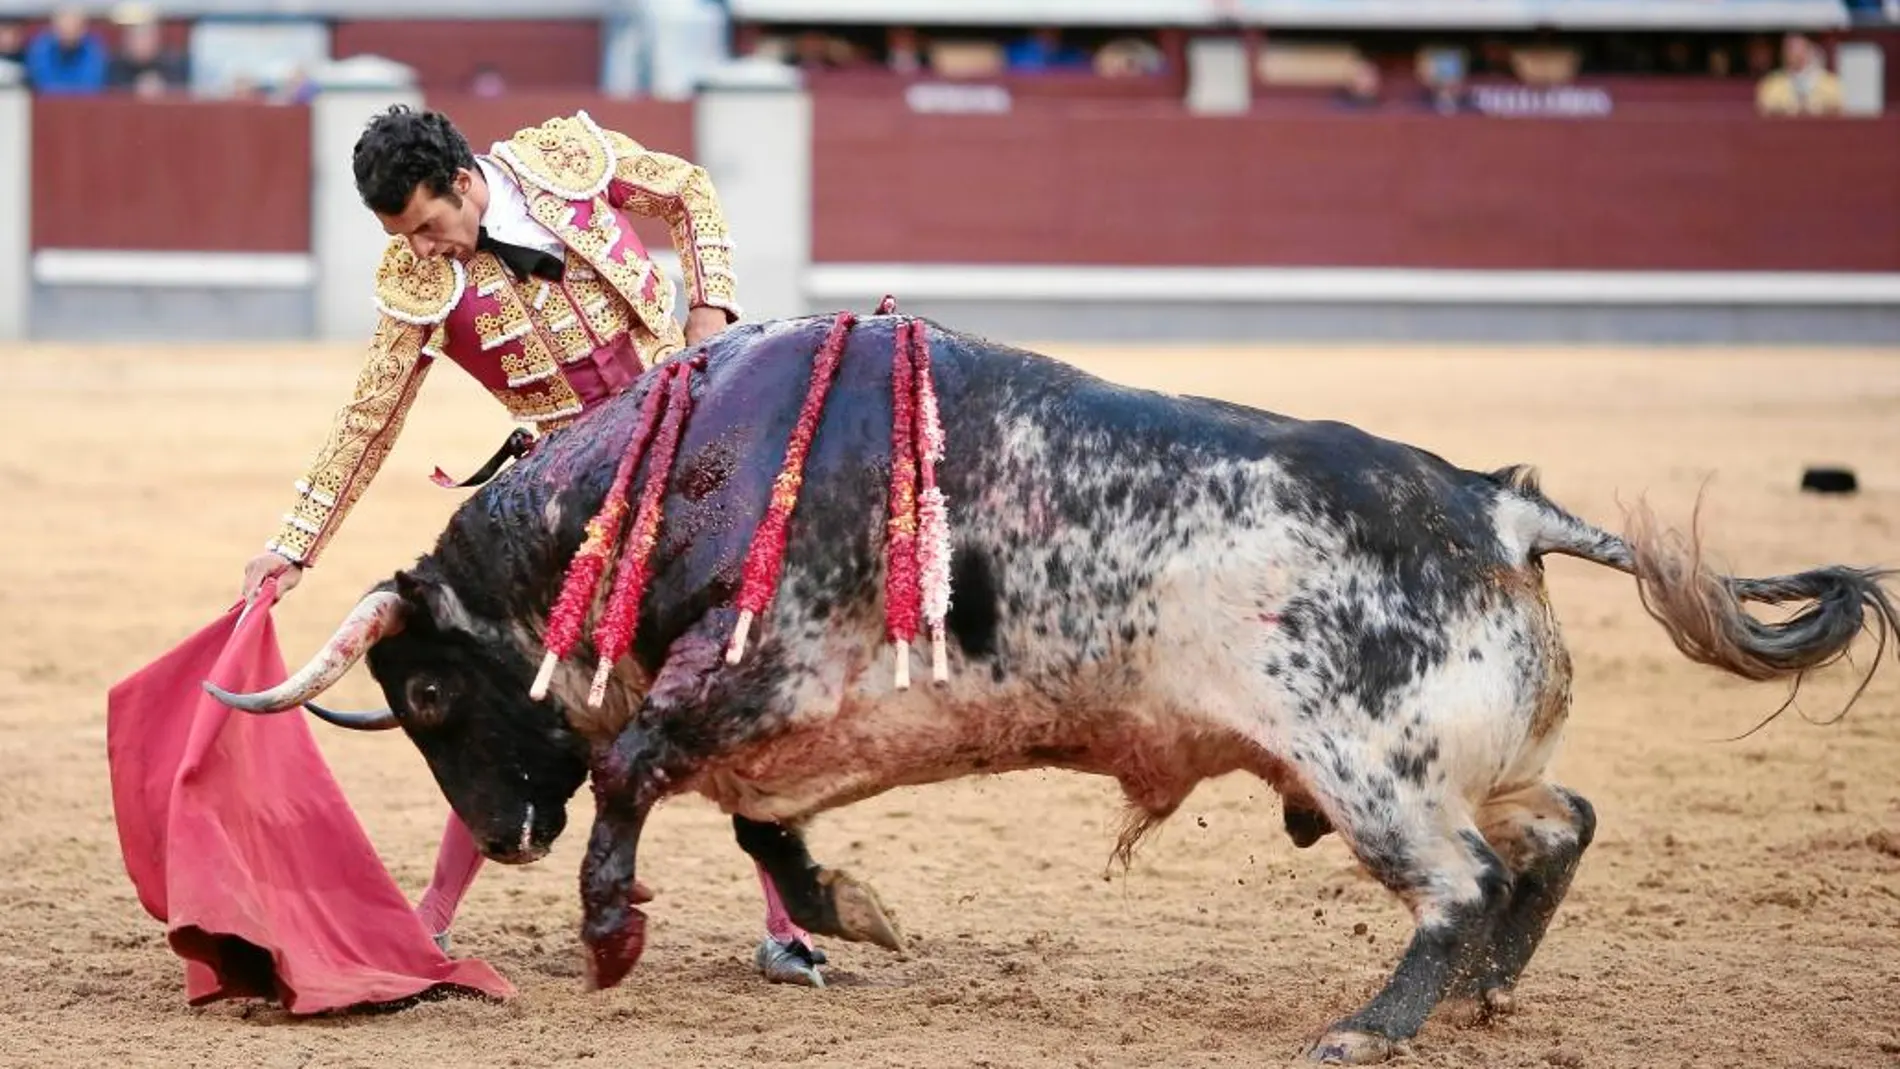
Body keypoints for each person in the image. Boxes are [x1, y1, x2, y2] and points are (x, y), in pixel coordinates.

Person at [237, 104, 741, 949]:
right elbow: (370, 421)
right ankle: (434, 913)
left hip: (692, 447)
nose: (423, 248)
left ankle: (785, 922)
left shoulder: (563, 163)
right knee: (498, 689)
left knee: (737, 665)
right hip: (570, 494)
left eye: (431, 225)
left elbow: (687, 190)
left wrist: (712, 309)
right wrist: (294, 545)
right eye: (405, 235)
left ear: (466, 183)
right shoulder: (417, 282)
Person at [23, 6, 109, 94]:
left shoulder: (94, 49)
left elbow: (91, 85)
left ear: (83, 29)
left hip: (85, 104)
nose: (69, 31)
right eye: (64, 26)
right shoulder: (40, 48)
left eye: (75, 26)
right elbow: (43, 84)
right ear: (54, 28)